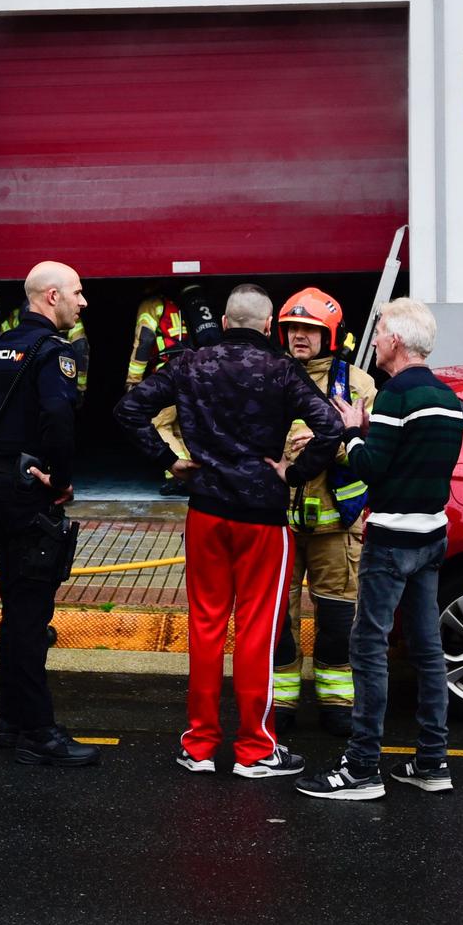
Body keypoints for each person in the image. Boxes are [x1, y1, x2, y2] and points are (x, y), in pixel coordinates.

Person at [115, 283, 344, 780]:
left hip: (206, 511)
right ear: (268, 327)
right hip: (262, 517)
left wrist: (169, 460)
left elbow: (129, 409)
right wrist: (295, 473)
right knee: (257, 632)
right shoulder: (284, 370)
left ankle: (198, 746)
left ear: (222, 322)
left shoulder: (189, 362)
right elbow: (330, 427)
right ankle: (255, 751)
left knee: (205, 626)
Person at [297, 298, 463, 803]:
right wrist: (367, 428)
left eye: (381, 331)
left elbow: (372, 467)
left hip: (390, 541)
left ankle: (362, 768)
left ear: (395, 341)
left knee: (368, 648)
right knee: (428, 650)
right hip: (431, 537)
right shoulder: (446, 396)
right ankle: (433, 761)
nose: (374, 339)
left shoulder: (394, 395)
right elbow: (411, 456)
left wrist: (348, 432)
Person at [0, 261, 99, 767]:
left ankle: (11, 723)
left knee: (18, 607)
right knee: (31, 616)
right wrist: (60, 477)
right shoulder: (53, 352)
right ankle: (39, 732)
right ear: (51, 296)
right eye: (77, 294)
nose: (83, 303)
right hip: (31, 492)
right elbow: (59, 417)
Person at [272, 287, 376, 738]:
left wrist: (326, 447)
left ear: (329, 335)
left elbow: (371, 451)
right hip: (279, 527)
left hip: (338, 526)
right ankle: (281, 701)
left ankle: (336, 702)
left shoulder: (358, 385)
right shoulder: (268, 378)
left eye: (309, 329)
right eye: (292, 327)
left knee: (337, 620)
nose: (299, 336)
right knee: (279, 621)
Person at [126, 287, 192, 494]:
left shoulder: (151, 305)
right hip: (189, 371)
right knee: (178, 427)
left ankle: (177, 475)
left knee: (159, 423)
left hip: (168, 372)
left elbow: (144, 340)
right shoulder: (176, 305)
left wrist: (133, 379)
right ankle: (191, 475)